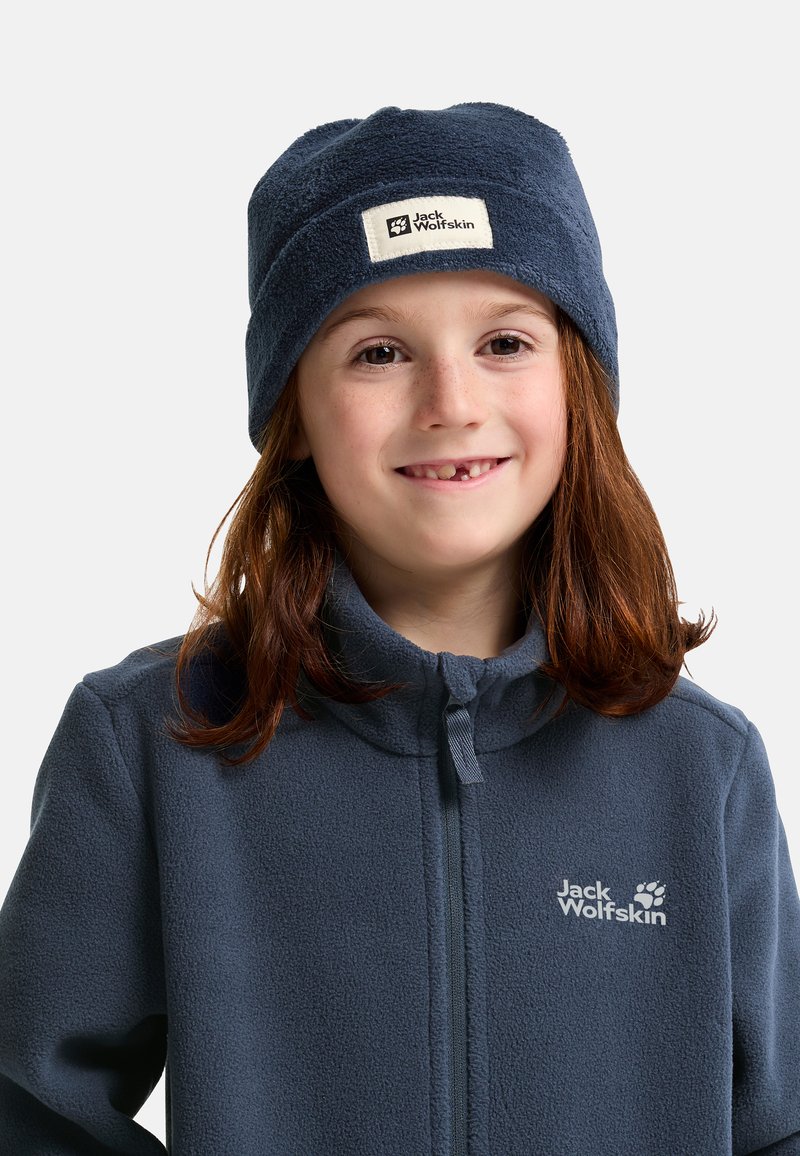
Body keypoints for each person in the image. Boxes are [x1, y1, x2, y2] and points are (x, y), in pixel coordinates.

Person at [0, 102, 798, 1155]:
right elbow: (28, 1108)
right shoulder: (150, 743)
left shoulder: (702, 767)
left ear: (578, 387)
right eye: (378, 351)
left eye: (505, 341)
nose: (450, 401)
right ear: (293, 410)